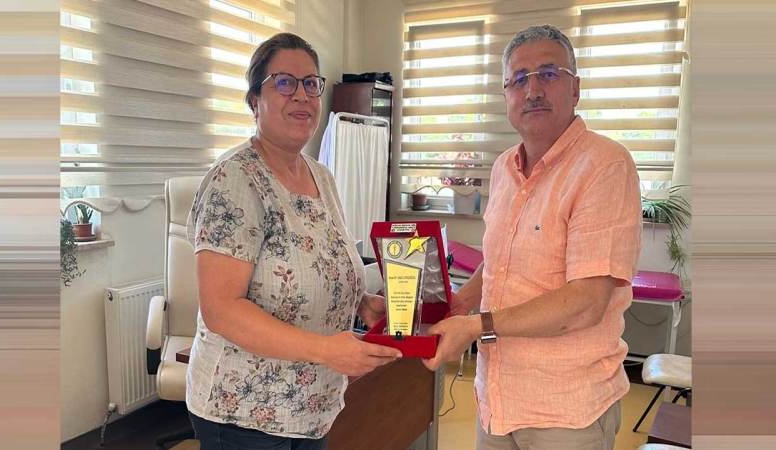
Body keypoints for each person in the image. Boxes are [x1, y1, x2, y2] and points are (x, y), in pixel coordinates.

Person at [423, 24, 643, 450]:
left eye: (548, 74)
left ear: (575, 89)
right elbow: (501, 261)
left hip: (566, 411)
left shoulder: (605, 166)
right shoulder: (504, 168)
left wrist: (476, 326)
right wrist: (460, 303)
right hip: (496, 400)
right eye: (519, 79)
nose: (533, 90)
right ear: (506, 94)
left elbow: (587, 301)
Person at [185, 32, 402, 450]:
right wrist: (325, 350)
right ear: (255, 101)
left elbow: (320, 264)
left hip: (313, 406)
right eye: (284, 82)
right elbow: (221, 310)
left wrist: (359, 302)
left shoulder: (322, 177)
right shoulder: (235, 180)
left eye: (310, 83)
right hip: (244, 412)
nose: (301, 95)